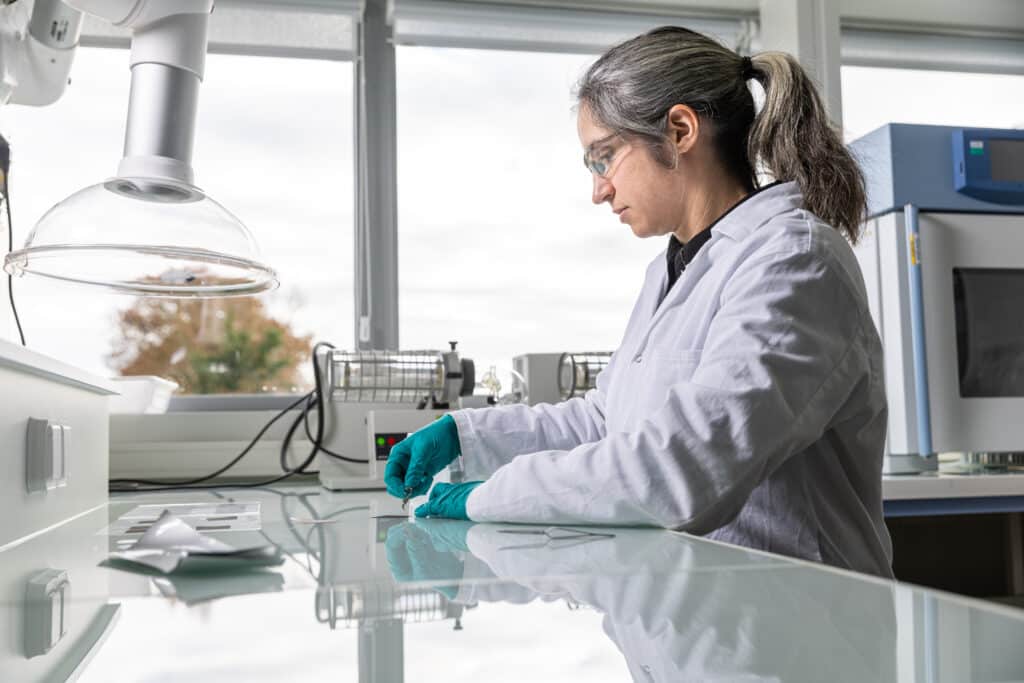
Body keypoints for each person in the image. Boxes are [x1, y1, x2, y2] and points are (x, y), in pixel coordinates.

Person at [385, 25, 894, 578]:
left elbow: (683, 466)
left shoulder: (794, 260)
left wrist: (484, 499)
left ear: (679, 130)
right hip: (699, 614)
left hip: (798, 625)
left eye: (603, 158)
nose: (598, 189)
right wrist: (467, 436)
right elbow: (608, 421)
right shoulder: (674, 267)